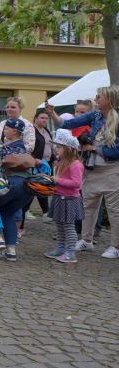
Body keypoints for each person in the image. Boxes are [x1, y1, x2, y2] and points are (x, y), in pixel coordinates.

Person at [47, 86, 119, 258]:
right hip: (92, 168)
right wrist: (52, 113)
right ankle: (86, 240)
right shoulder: (95, 115)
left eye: (99, 96)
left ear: (109, 100)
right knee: (87, 206)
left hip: (112, 169)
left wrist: (94, 148)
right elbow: (67, 124)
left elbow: (117, 151)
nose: (96, 99)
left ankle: (116, 246)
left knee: (114, 210)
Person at [0, 118, 38, 261]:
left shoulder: (5, 148)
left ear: (14, 132)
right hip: (28, 189)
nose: (4, 131)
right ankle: (11, 250)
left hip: (11, 184)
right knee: (7, 213)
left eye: (6, 128)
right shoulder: (25, 149)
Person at [44, 130, 84, 264]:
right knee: (59, 225)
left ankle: (71, 252)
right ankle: (60, 248)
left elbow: (77, 184)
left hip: (69, 200)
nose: (56, 149)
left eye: (59, 147)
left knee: (68, 226)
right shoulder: (61, 162)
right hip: (59, 198)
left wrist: (58, 180)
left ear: (69, 149)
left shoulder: (76, 165)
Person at [29, 109, 54, 223]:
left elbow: (49, 146)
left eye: (46, 118)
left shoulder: (46, 130)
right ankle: (44, 212)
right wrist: (33, 159)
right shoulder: (32, 131)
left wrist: (54, 156)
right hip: (36, 163)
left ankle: (45, 212)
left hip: (47, 163)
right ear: (36, 119)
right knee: (36, 187)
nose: (44, 120)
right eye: (42, 118)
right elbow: (28, 148)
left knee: (43, 187)